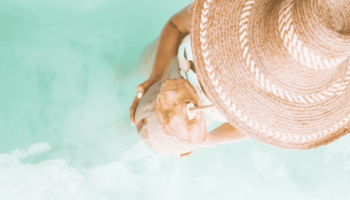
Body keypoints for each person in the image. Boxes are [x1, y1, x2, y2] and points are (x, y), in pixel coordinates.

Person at [129, 4, 249, 158]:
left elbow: (255, 128)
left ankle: (131, 73)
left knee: (168, 125)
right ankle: (131, 70)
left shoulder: (275, 100)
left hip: (203, 110)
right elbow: (175, 26)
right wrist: (157, 74)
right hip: (169, 60)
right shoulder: (220, 14)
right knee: (142, 63)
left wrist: (208, 139)